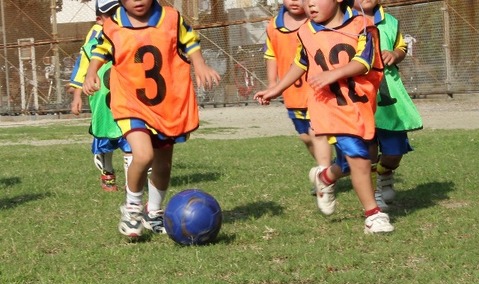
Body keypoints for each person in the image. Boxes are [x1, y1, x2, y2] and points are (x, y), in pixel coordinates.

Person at [82, 0, 221, 238]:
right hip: (130, 102)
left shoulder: (171, 18)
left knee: (163, 163)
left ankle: (154, 212)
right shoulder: (114, 23)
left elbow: (190, 41)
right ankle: (132, 208)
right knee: (143, 154)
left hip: (166, 104)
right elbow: (101, 49)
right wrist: (92, 71)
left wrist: (199, 64)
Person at [254, 0, 394, 234]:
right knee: (358, 157)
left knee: (358, 159)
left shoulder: (363, 26)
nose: (310, 4)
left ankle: (327, 178)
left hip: (359, 105)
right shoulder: (306, 31)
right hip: (328, 106)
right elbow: (301, 61)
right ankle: (373, 215)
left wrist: (335, 73)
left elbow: (365, 60)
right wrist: (276, 89)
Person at [353, 0, 423, 211]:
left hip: (389, 97)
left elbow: (400, 46)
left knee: (394, 152)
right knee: (369, 148)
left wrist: (395, 54)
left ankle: (385, 173)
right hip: (361, 96)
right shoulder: (341, 22)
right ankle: (374, 195)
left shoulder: (391, 21)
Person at [263, 0, 332, 191]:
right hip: (292, 93)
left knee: (317, 132)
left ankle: (325, 177)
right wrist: (272, 83)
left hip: (318, 90)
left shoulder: (317, 21)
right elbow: (271, 55)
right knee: (306, 137)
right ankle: (325, 166)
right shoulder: (273, 26)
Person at [70, 0, 131, 192]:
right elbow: (82, 69)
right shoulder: (92, 44)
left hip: (126, 101)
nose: (115, 18)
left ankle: (132, 186)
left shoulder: (130, 37)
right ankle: (108, 175)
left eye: (118, 12)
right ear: (99, 19)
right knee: (105, 142)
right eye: (110, 14)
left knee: (129, 141)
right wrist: (77, 96)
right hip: (102, 104)